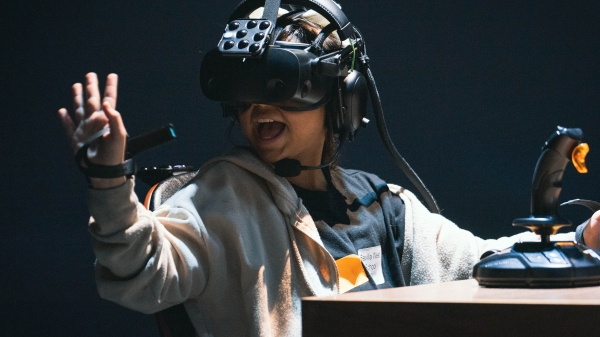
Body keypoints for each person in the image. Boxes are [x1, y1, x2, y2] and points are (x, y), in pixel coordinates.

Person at [58, 8, 600, 337]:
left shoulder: (383, 206)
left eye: (282, 86)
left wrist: (580, 242)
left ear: (341, 99)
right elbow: (140, 269)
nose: (258, 108)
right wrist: (111, 181)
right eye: (244, 96)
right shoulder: (216, 202)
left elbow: (483, 267)